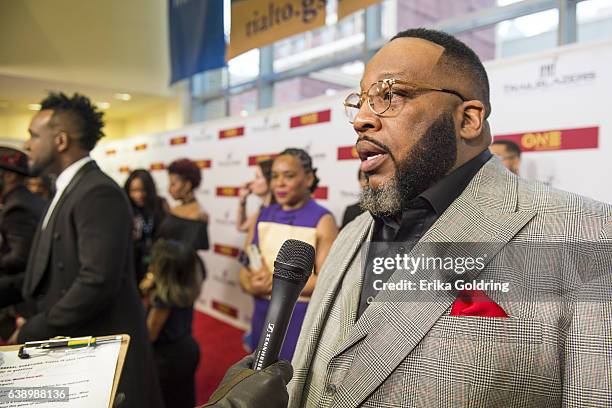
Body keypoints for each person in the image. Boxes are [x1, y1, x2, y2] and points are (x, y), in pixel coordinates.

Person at [209, 28, 612, 407]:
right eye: (362, 101)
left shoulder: (585, 232)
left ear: (468, 119)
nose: (362, 118)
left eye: (391, 94)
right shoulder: (352, 233)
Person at [14, 92, 163, 408]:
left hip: (100, 357)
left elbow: (96, 281)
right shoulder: (71, 187)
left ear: (61, 140)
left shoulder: (97, 191)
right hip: (77, 348)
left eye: (33, 135)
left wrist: (35, 327)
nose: (27, 145)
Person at [239, 148, 338, 362]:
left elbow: (326, 282)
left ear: (308, 178)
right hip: (261, 311)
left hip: (299, 318)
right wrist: (249, 283)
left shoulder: (323, 220)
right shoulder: (261, 215)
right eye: (274, 176)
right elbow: (245, 265)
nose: (279, 183)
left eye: (289, 176)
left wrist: (277, 285)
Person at [145, 240, 202, 408]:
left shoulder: (163, 300)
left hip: (166, 360)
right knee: (184, 396)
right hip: (188, 349)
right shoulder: (185, 288)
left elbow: (149, 335)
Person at [0, 146, 45, 342]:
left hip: (26, 300)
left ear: (9, 176)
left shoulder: (17, 206)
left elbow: (20, 257)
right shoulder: (27, 200)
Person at [124, 169, 168, 283]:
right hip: (133, 265)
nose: (139, 195)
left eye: (143, 190)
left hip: (157, 262)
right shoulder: (126, 208)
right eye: (133, 190)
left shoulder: (160, 205)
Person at [157, 158, 209, 252]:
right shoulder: (173, 209)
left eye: (173, 184)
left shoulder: (198, 216)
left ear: (187, 185)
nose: (169, 189)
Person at [236, 158, 274, 233]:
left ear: (270, 180)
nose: (252, 182)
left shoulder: (275, 211)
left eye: (257, 177)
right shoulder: (263, 209)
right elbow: (241, 226)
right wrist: (242, 200)